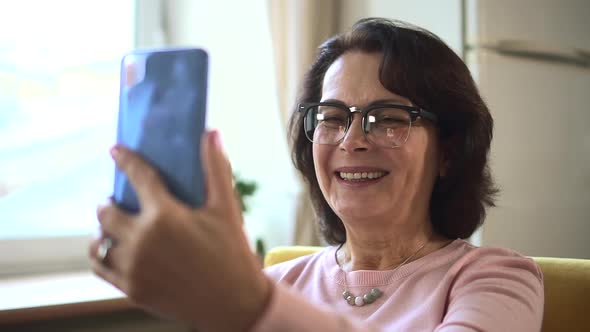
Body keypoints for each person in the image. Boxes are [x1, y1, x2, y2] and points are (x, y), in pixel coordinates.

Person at [89, 18, 544, 331]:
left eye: (387, 116)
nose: (351, 140)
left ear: (448, 150)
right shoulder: (277, 284)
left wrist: (250, 307)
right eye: (331, 116)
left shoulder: (498, 278)